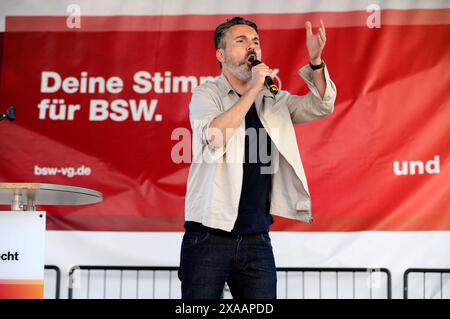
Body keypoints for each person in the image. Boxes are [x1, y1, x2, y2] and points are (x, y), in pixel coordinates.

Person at [178, 16, 336, 299]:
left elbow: (320, 106)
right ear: (220, 54)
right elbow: (214, 136)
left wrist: (315, 61)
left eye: (256, 42)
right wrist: (252, 89)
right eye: (241, 41)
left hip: (257, 238)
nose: (251, 47)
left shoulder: (273, 98)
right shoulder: (206, 94)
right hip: (207, 235)